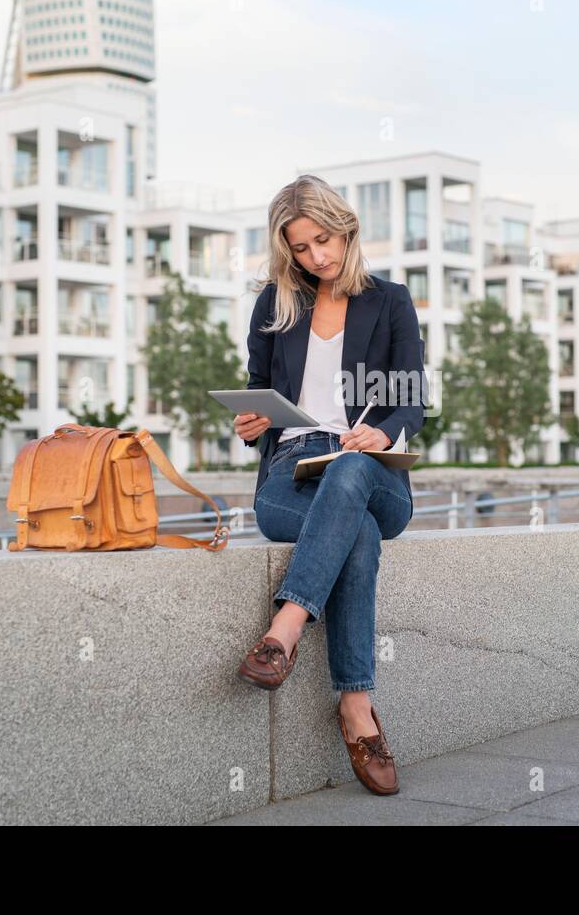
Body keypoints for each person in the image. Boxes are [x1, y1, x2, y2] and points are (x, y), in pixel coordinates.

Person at [232, 174, 427, 795]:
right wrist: (252, 420)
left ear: (346, 229)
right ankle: (356, 706)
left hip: (369, 467)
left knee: (351, 480)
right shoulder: (274, 303)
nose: (318, 256)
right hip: (290, 472)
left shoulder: (390, 300)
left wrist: (381, 434)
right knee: (356, 537)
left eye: (324, 240)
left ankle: (285, 628)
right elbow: (261, 389)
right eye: (302, 247)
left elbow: (413, 399)